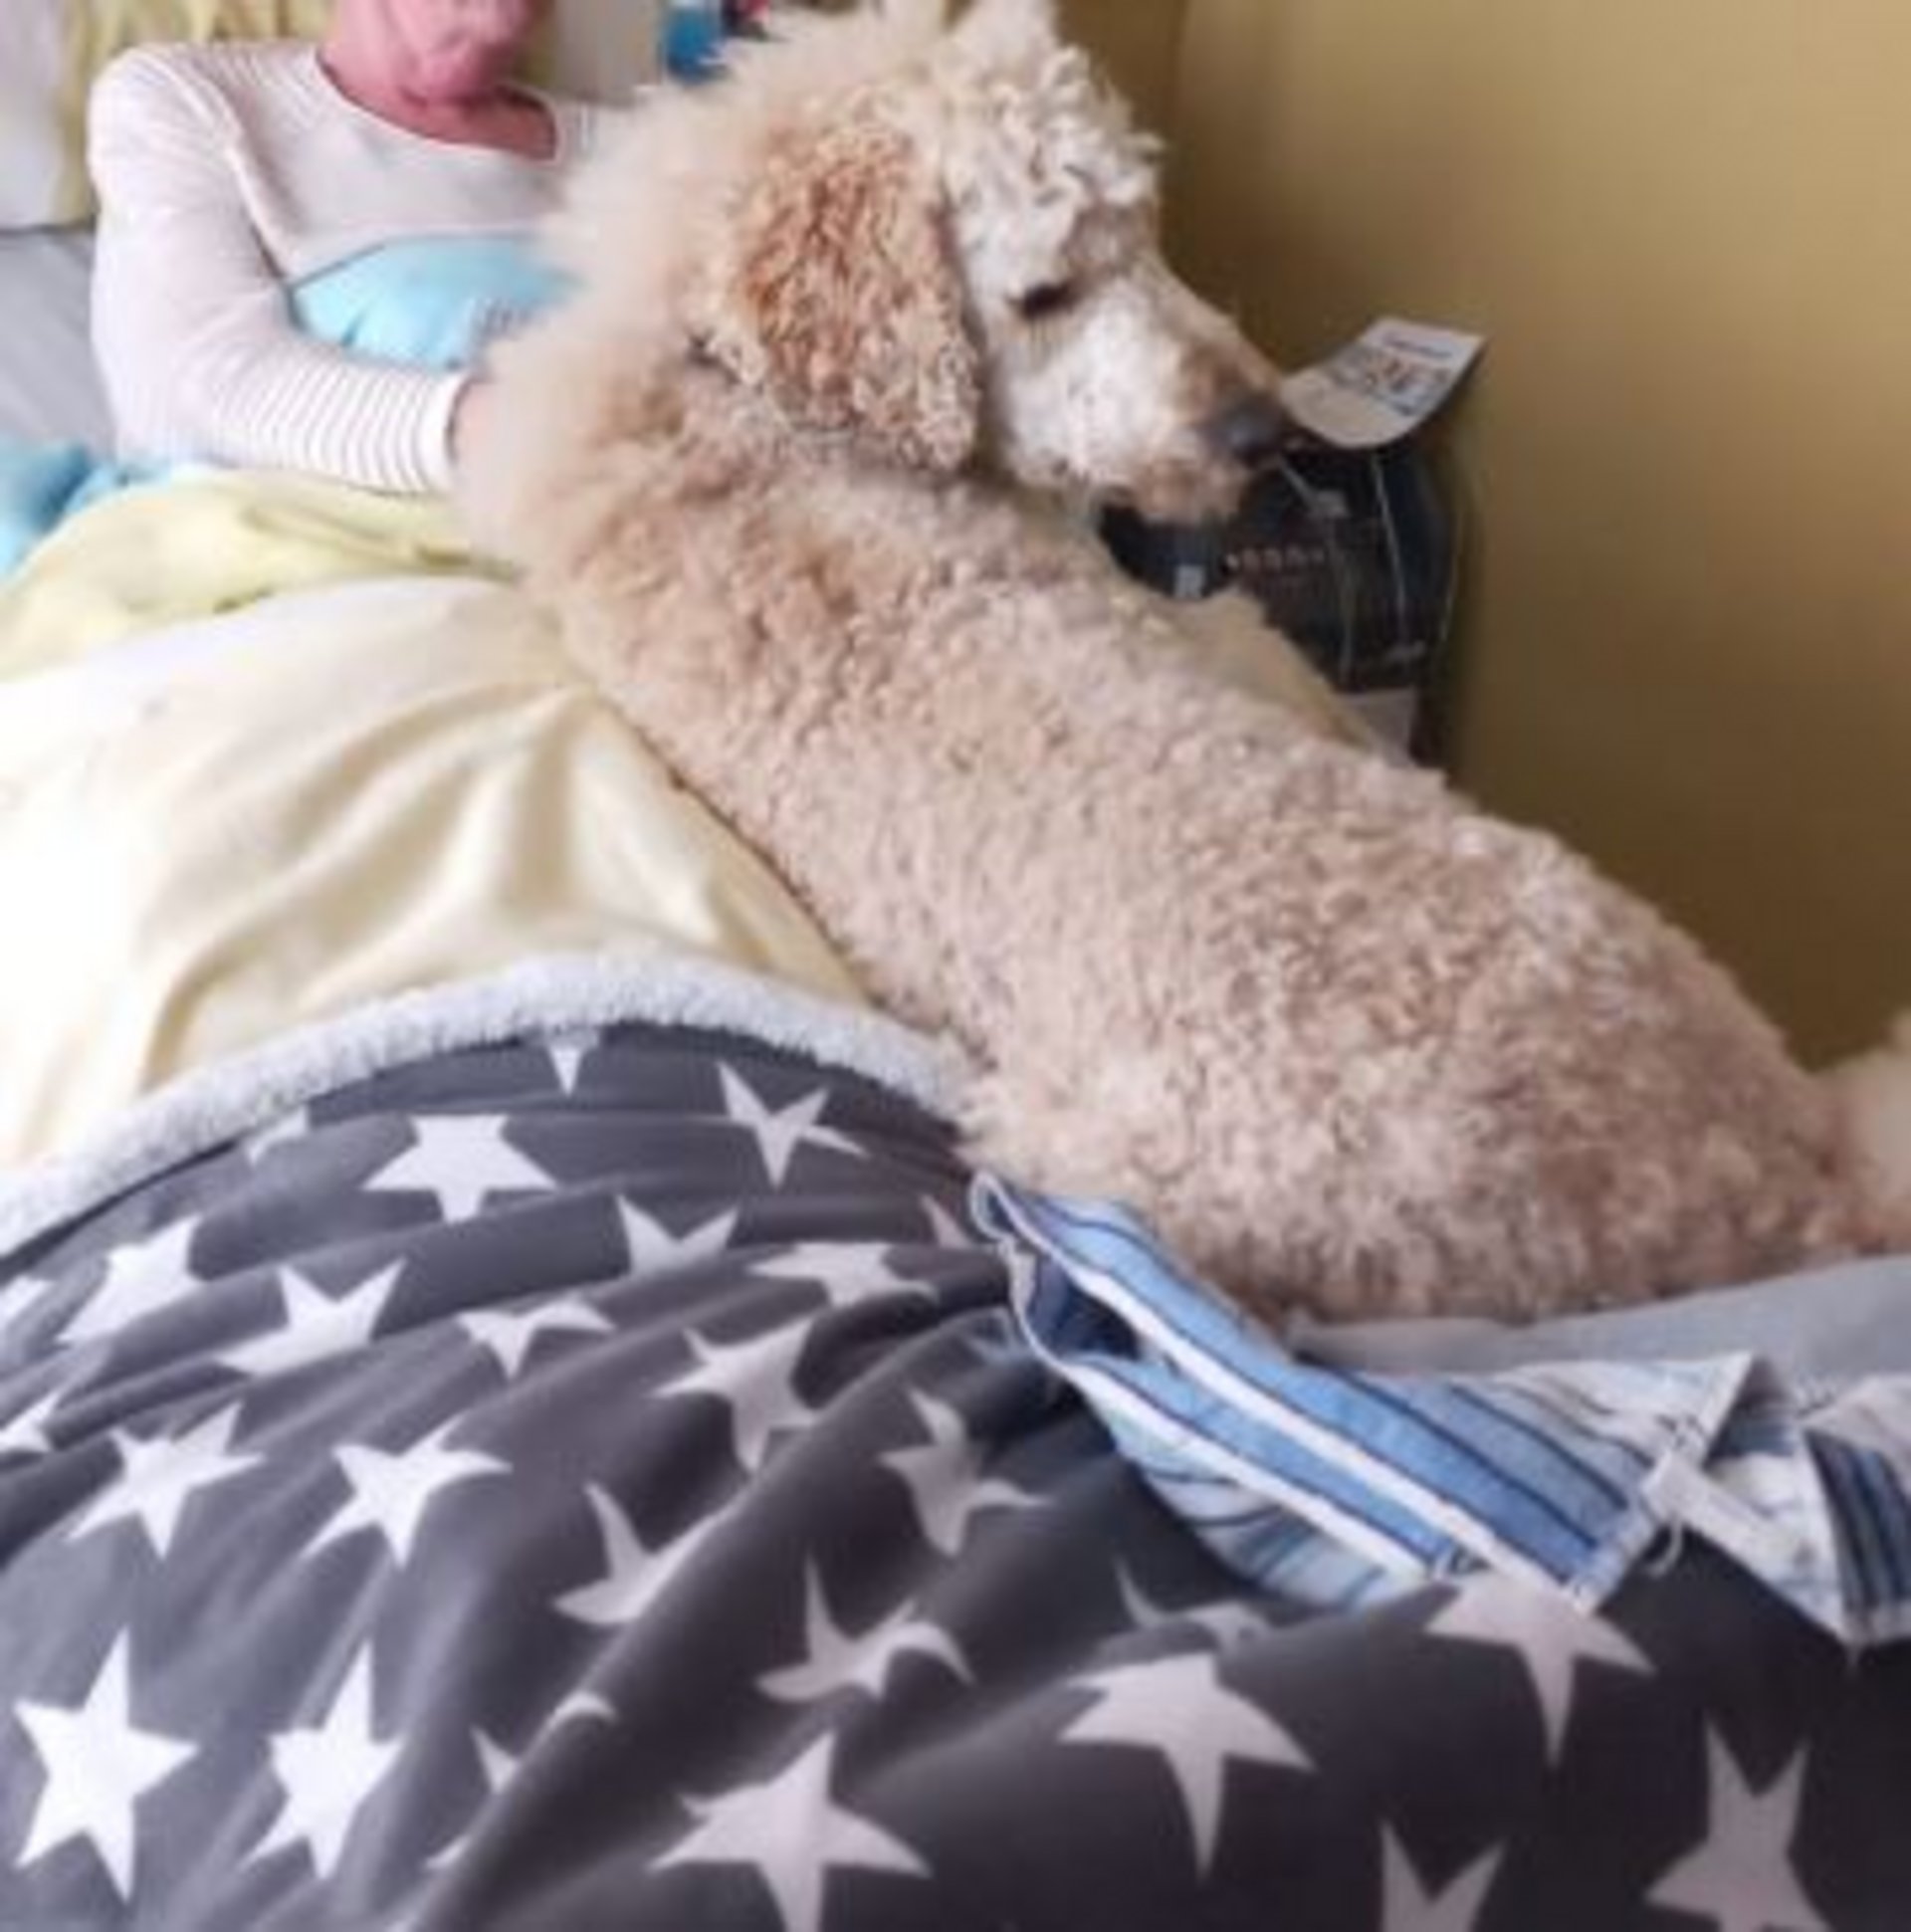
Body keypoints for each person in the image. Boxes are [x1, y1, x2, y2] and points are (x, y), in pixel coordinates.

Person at [88, 0, 610, 495]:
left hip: (588, 514)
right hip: (284, 533)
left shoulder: (632, 152)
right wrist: (525, 432)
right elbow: (204, 391)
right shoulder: (192, 100)